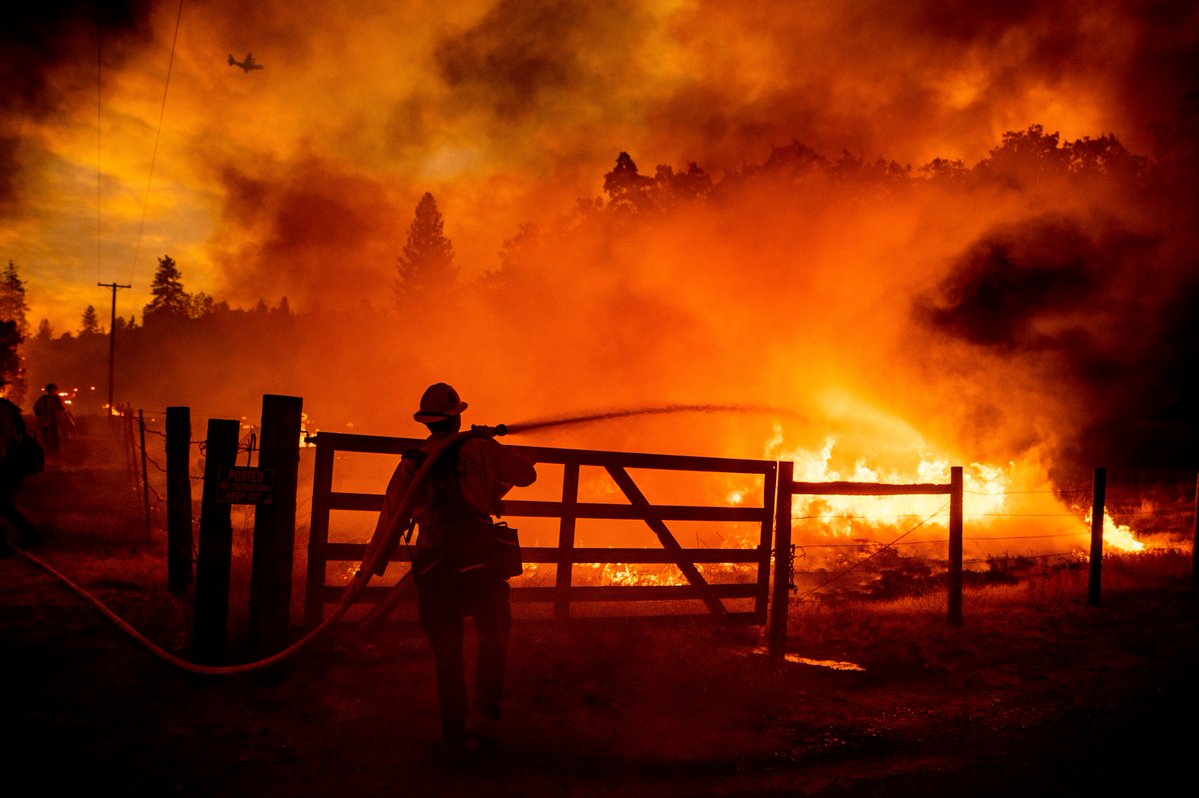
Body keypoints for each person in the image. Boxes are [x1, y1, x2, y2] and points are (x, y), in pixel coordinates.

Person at [372, 382, 536, 754]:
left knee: (447, 651)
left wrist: (371, 569)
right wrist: (490, 447)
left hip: (435, 564)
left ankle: (453, 731)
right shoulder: (478, 448)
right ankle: (486, 722)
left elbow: (392, 516)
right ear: (458, 415)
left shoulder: (412, 461)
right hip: (480, 560)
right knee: (494, 639)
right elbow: (526, 475)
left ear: (426, 423)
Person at [0, 378, 43, 555]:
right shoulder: (4, 407)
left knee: (1, 502)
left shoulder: (1, 411)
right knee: (2, 503)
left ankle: (10, 542)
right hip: (8, 463)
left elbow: (2, 442)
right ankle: (31, 535)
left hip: (8, 464)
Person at [33, 383, 73, 457]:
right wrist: (46, 411)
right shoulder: (44, 399)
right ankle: (49, 452)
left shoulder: (56, 398)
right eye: (53, 389)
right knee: (47, 437)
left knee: (56, 436)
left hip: (54, 419)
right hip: (46, 420)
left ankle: (55, 452)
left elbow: (61, 407)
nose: (54, 391)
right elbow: (37, 407)